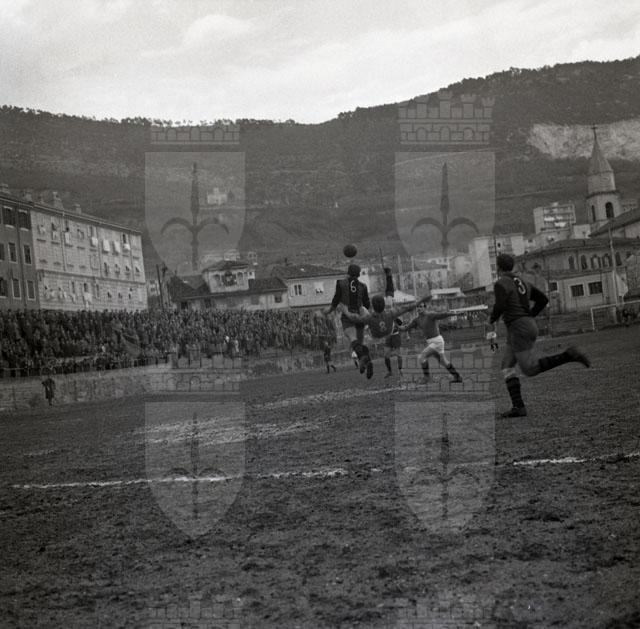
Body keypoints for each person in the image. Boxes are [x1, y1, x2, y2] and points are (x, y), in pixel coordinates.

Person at [487, 253, 590, 418]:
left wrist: (491, 319)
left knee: (529, 369)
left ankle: (569, 355)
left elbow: (500, 305)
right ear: (512, 266)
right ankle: (518, 407)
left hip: (518, 327)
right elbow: (543, 299)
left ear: (498, 268)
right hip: (523, 325)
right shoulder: (523, 282)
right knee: (506, 365)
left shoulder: (501, 283)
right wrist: (529, 315)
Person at [340, 294, 430, 378]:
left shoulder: (370, 317)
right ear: (384, 304)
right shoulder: (390, 313)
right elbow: (407, 307)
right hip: (388, 333)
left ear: (373, 306)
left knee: (362, 312)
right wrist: (421, 300)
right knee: (388, 354)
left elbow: (355, 318)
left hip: (378, 335)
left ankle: (398, 369)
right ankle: (390, 371)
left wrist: (345, 311)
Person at [323, 264, 373, 378]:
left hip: (348, 316)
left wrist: (327, 311)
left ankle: (366, 360)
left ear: (348, 273)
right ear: (359, 274)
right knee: (360, 343)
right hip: (360, 316)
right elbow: (367, 305)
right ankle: (364, 362)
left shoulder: (340, 284)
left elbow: (335, 302)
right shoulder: (363, 286)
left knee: (353, 339)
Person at [399, 301, 463, 384]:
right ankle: (457, 377)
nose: (419, 308)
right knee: (443, 362)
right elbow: (406, 328)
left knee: (421, 357)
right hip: (432, 342)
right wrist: (396, 327)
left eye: (421, 306)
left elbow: (442, 314)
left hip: (437, 341)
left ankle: (427, 378)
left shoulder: (430, 315)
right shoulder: (416, 320)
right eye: (418, 307)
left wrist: (454, 313)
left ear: (424, 308)